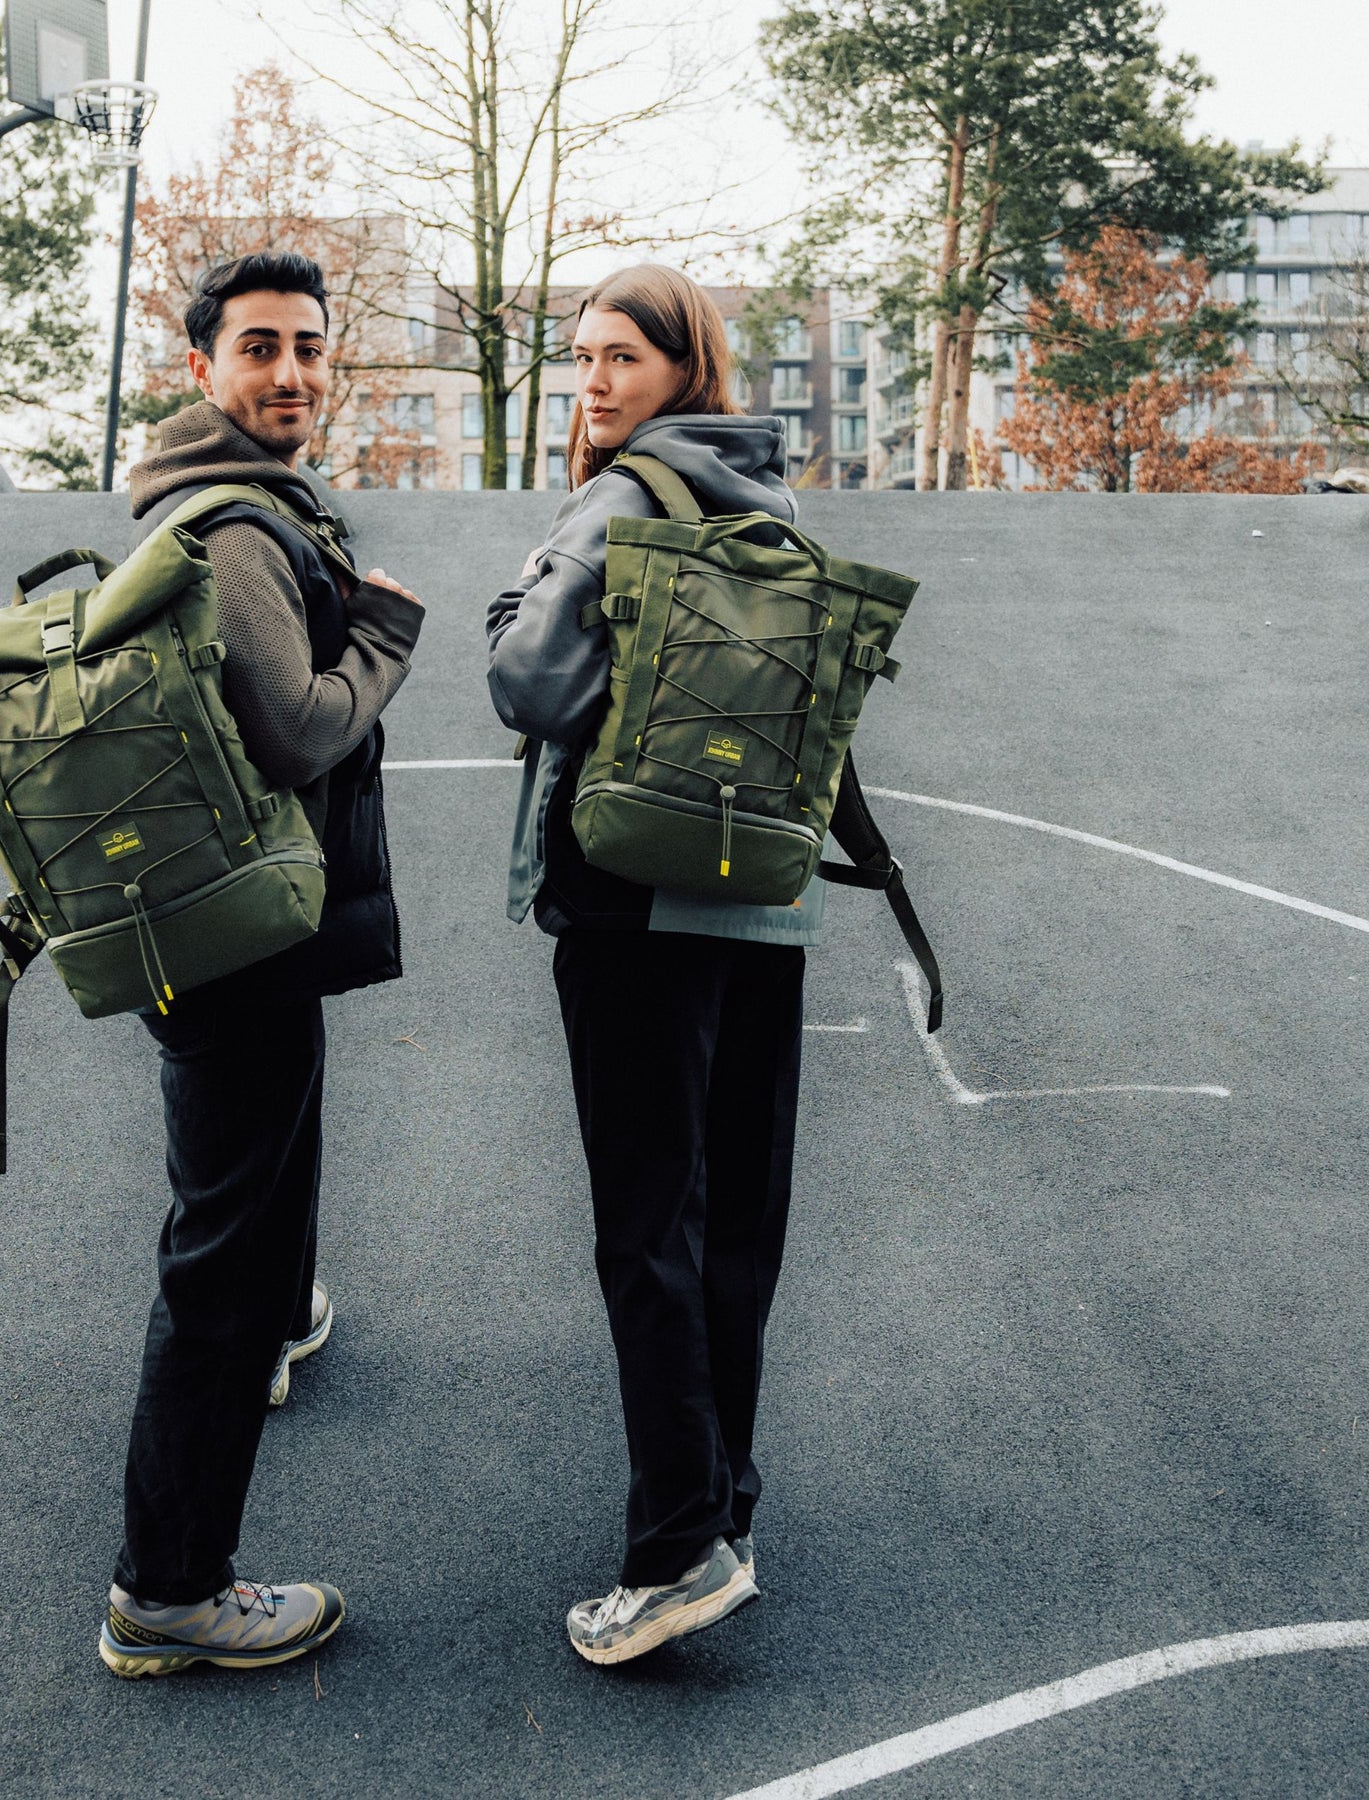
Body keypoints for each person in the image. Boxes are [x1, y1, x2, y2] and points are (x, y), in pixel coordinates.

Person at [99, 251, 425, 1678]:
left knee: (249, 1203)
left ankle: (283, 1311)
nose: (290, 372)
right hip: (231, 936)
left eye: (308, 347)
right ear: (203, 369)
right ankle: (168, 1591)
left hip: (224, 924)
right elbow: (298, 731)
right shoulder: (233, 529)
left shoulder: (234, 501)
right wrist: (387, 638)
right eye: (259, 349)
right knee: (215, 1258)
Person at [486, 264, 818, 1665]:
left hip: (632, 899)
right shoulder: (772, 498)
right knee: (732, 1220)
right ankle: (722, 1501)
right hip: (758, 898)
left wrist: (521, 598)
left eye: (624, 356)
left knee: (647, 1226)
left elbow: (531, 683)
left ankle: (677, 1549)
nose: (597, 382)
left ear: (687, 365)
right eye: (584, 358)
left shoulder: (620, 497)